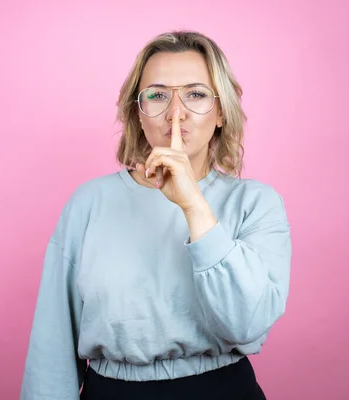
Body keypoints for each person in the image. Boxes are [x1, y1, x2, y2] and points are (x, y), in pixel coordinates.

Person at [20, 30, 292, 400]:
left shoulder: (256, 203)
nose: (175, 112)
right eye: (158, 95)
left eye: (195, 94)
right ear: (138, 113)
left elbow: (247, 324)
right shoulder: (89, 203)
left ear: (221, 114)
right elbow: (51, 346)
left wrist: (194, 205)